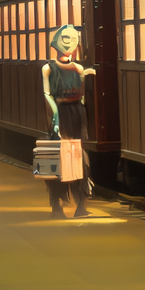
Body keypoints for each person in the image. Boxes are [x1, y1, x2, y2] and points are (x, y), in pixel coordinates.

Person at [40, 24, 96, 218]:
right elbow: (47, 95)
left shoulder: (78, 68)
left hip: (75, 115)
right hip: (61, 114)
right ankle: (59, 205)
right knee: (57, 157)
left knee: (78, 157)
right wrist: (54, 118)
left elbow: (81, 96)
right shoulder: (48, 68)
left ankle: (78, 203)